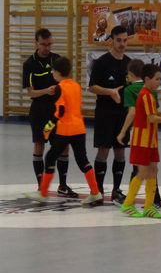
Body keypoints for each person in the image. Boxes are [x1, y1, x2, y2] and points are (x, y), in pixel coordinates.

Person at [24, 57, 102, 206]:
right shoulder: (76, 85)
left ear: (58, 72)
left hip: (65, 130)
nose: (52, 73)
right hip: (79, 128)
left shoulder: (59, 88)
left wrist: (48, 128)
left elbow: (60, 111)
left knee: (50, 157)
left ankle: (43, 193)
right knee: (83, 160)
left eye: (53, 70)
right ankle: (95, 193)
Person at [119, 65, 161, 218]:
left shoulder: (150, 94)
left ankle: (148, 206)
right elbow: (152, 118)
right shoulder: (145, 95)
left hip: (151, 138)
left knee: (153, 170)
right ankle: (128, 203)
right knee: (143, 172)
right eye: (157, 79)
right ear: (147, 79)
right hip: (142, 139)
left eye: (160, 79)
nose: (159, 82)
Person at [22, 28, 75, 197]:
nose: (47, 47)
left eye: (49, 44)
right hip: (39, 112)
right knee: (39, 145)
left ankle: (63, 185)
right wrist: (46, 91)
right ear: (36, 43)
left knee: (63, 146)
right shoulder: (29, 64)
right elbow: (30, 92)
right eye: (43, 44)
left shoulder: (57, 60)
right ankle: (41, 186)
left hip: (57, 112)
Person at [89, 25, 131, 204]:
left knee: (120, 151)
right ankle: (98, 191)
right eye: (119, 40)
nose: (122, 44)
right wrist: (110, 92)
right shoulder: (101, 62)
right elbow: (92, 87)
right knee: (103, 150)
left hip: (123, 114)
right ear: (112, 40)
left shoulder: (129, 63)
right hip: (105, 112)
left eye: (125, 40)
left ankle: (116, 191)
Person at [116, 59, 161, 208]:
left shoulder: (131, 90)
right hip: (149, 135)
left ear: (130, 74)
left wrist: (123, 131)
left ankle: (135, 204)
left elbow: (132, 112)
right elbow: (154, 113)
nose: (159, 82)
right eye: (158, 79)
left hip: (142, 134)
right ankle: (153, 201)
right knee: (149, 169)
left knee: (143, 170)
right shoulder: (150, 92)